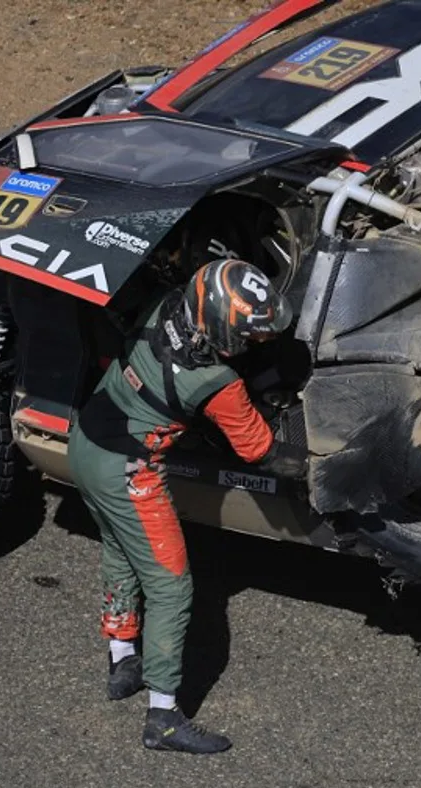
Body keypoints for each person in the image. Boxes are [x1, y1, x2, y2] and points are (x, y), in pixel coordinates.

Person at [68, 259, 307, 754]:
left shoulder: (163, 305)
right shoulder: (218, 383)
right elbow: (259, 451)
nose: (256, 343)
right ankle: (163, 717)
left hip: (85, 442)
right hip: (128, 472)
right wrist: (314, 466)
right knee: (172, 587)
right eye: (250, 336)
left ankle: (122, 658)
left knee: (119, 548)